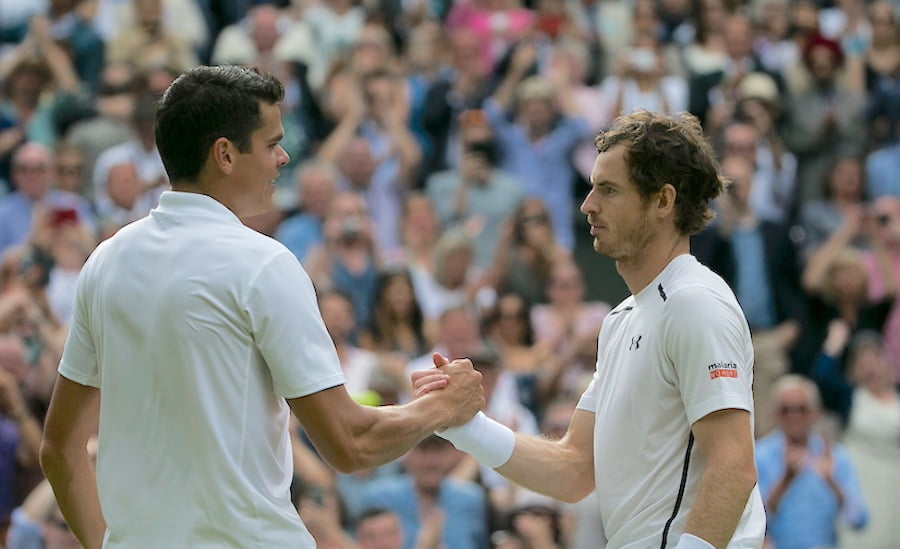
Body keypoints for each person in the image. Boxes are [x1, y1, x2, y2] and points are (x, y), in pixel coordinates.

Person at [37, 65, 485, 549]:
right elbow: (352, 443)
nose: (284, 157)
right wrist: (441, 407)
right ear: (225, 155)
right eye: (272, 143)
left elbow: (60, 450)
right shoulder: (264, 263)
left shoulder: (105, 262)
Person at [413, 110, 766, 548]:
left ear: (662, 201)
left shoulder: (695, 302)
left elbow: (733, 467)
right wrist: (464, 424)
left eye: (609, 190)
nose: (587, 205)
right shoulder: (620, 321)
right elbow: (574, 469)